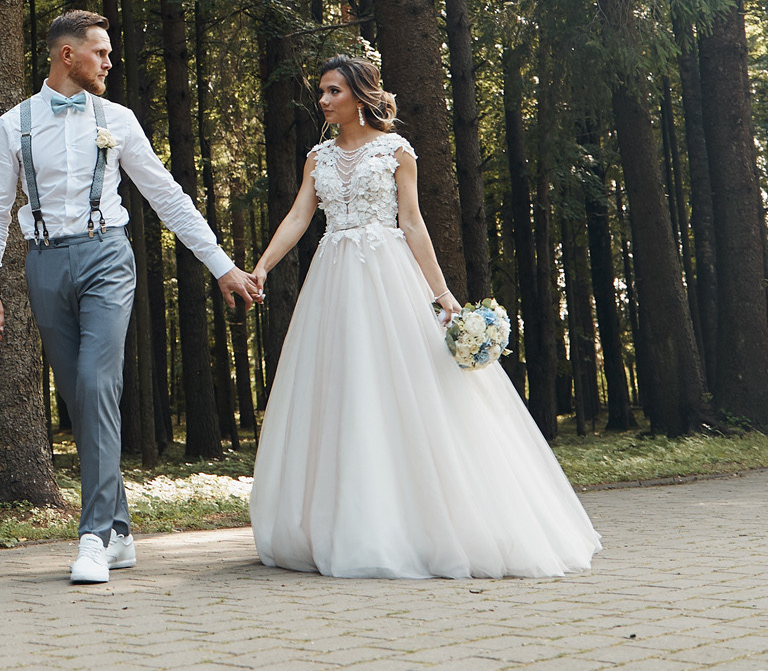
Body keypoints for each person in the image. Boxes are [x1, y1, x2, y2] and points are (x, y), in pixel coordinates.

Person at [244, 52, 600, 579]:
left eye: (332, 91)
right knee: (340, 389)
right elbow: (300, 215)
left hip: (387, 275)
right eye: (321, 92)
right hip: (333, 279)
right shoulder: (317, 157)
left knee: (408, 385)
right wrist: (262, 267)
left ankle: (424, 522)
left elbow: (412, 223)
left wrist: (443, 295)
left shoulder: (396, 150)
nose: (322, 100)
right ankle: (341, 522)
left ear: (360, 95)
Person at [0, 8, 263, 583]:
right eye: (100, 52)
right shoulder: (15, 125)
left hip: (108, 257)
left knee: (96, 383)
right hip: (44, 264)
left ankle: (94, 537)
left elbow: (168, 197)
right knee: (81, 400)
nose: (109, 61)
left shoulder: (119, 120)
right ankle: (124, 530)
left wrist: (222, 265)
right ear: (67, 56)